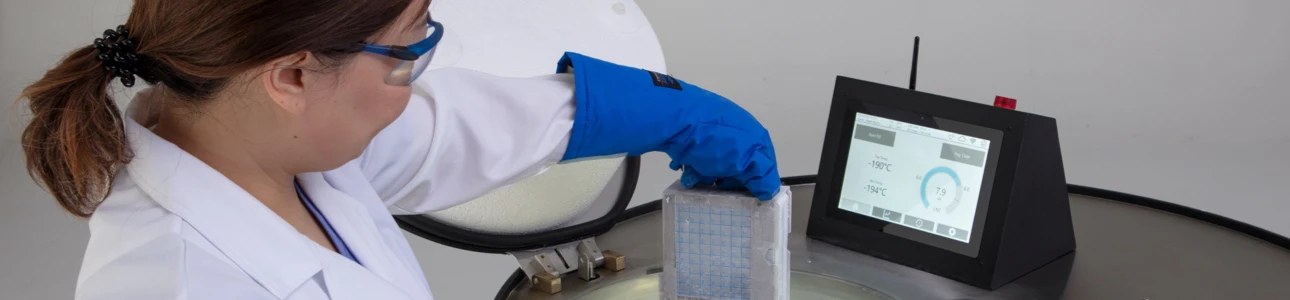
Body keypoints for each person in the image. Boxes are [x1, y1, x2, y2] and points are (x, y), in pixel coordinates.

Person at [17, 0, 779, 299]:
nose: (412, 87)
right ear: (291, 75)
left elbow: (462, 131)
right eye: (403, 59)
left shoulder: (263, 142)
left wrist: (672, 113)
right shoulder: (174, 285)